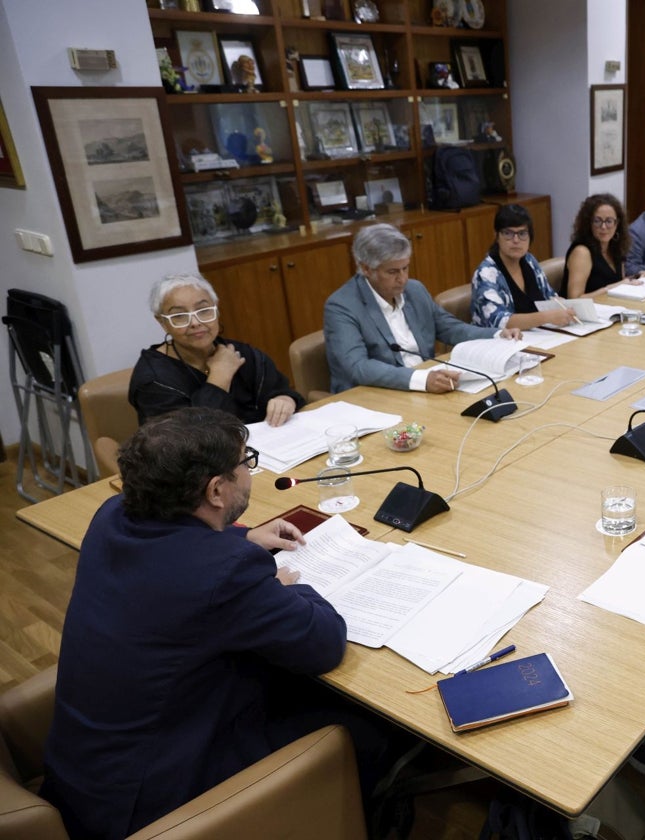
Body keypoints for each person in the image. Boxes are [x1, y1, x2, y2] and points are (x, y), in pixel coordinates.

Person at [39, 408, 395, 839]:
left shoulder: (112, 514)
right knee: (370, 731)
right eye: (245, 463)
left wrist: (240, 537)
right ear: (215, 490)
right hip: (155, 801)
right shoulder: (224, 573)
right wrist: (278, 585)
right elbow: (324, 643)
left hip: (87, 779)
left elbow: (175, 551)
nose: (249, 472)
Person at [324, 223, 519, 393]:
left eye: (405, 268)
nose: (402, 278)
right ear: (366, 269)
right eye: (392, 272)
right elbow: (358, 367)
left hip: (428, 384)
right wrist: (421, 379)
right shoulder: (342, 306)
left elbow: (448, 327)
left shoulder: (414, 290)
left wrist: (496, 336)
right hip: (378, 394)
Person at [129, 273, 302, 427]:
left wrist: (285, 400)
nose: (195, 322)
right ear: (162, 323)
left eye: (203, 310)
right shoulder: (153, 381)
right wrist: (219, 379)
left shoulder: (242, 353)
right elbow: (185, 442)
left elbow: (284, 391)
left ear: (217, 310)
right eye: (179, 316)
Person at [469, 203, 575, 330]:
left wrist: (563, 306)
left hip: (536, 337)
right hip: (500, 344)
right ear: (497, 236)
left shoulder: (529, 260)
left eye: (522, 233)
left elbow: (550, 296)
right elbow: (499, 322)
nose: (516, 240)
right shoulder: (486, 273)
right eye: (508, 233)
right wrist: (547, 317)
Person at [563, 193, 633, 298]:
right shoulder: (582, 252)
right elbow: (574, 298)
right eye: (597, 221)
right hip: (584, 312)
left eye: (609, 221)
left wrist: (638, 278)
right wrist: (609, 288)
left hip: (611, 308)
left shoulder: (616, 246)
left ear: (617, 223)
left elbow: (620, 282)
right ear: (588, 223)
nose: (604, 227)